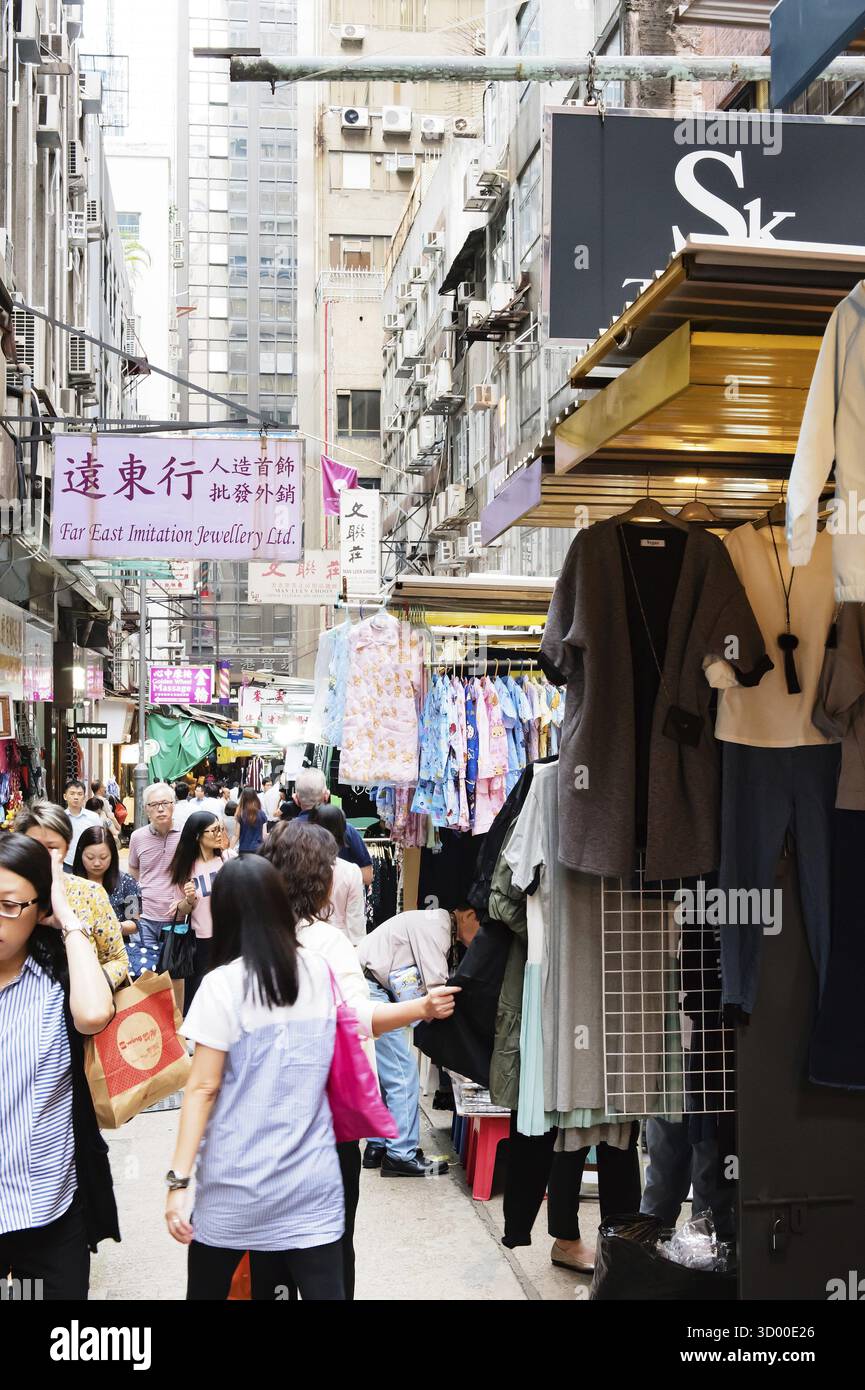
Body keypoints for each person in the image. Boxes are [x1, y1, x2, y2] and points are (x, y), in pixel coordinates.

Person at [261, 821, 458, 1299]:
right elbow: (354, 1018)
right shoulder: (328, 943)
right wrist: (422, 1008)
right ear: (319, 880)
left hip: (263, 1122)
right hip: (325, 1119)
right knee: (330, 1246)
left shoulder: (248, 936)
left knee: (270, 1251)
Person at [165, 856, 347, 1300]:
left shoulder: (222, 986)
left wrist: (178, 1182)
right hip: (311, 1182)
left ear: (225, 913)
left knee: (208, 1290)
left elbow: (203, 1088)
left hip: (235, 1183)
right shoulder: (319, 972)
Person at [0, 834, 119, 1297]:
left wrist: (68, 918)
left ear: (39, 910)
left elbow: (93, 1014)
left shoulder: (56, 978)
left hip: (46, 1206)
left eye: (9, 906)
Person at [356, 899, 480, 1177]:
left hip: (371, 985)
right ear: (468, 915)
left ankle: (378, 1147)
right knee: (402, 1074)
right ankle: (401, 1154)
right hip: (374, 989)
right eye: (480, 928)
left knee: (388, 1075)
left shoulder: (435, 923)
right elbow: (436, 990)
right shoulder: (436, 926)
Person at [14, 804, 130, 990]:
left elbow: (117, 958)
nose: (42, 855)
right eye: (33, 846)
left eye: (52, 847)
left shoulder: (90, 893)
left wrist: (92, 989)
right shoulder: (7, 893)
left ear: (66, 849)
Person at [168, 810, 231, 1009]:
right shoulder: (186, 869)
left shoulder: (227, 859)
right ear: (197, 836)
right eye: (213, 831)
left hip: (228, 937)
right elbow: (180, 910)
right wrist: (189, 899)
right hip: (201, 940)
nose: (219, 834)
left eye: (220, 829)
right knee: (201, 992)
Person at [128, 784, 183, 1005]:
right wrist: (133, 912)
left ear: (173, 806)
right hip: (147, 917)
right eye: (154, 805)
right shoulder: (137, 837)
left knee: (177, 975)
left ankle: (177, 1023)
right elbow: (132, 873)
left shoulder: (186, 836)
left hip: (177, 918)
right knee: (146, 974)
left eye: (165, 803)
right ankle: (151, 1022)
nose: (160, 809)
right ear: (146, 809)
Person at [292, 768, 372, 887]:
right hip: (341, 902)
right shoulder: (346, 829)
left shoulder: (283, 833)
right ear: (326, 795)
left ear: (296, 799)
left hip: (298, 903)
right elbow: (367, 877)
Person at [308, 804, 365, 945]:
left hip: (310, 941)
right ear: (342, 830)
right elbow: (355, 919)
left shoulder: (302, 867)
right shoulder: (351, 871)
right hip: (341, 943)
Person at [72, 826, 140, 940]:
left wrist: (115, 927)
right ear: (80, 854)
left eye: (103, 857)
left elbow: (134, 923)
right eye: (90, 857)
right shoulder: (71, 883)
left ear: (112, 855)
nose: (97, 863)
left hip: (116, 949)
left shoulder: (126, 882)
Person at [61, 779, 99, 868]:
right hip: (65, 863)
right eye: (72, 793)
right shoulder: (60, 817)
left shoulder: (93, 817)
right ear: (65, 796)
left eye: (79, 794)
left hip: (88, 864)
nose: (76, 797)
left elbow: (99, 839)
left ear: (84, 797)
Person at [231, 788, 268, 857]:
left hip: (244, 849)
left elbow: (236, 835)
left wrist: (229, 850)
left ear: (243, 799)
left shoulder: (240, 814)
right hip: (258, 849)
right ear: (255, 798)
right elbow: (264, 836)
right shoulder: (262, 814)